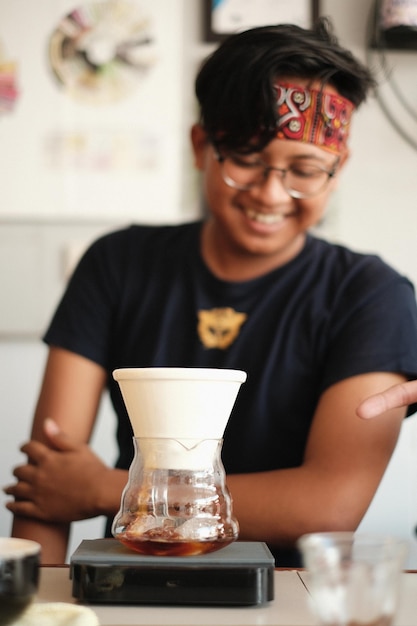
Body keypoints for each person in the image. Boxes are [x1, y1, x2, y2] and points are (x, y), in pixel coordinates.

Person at [4, 18, 417, 567]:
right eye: (245, 159)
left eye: (305, 170)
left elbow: (329, 505)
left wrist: (103, 489)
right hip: (133, 575)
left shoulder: (372, 295)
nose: (271, 193)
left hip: (293, 593)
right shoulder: (116, 264)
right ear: (202, 146)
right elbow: (49, 482)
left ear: (336, 172)